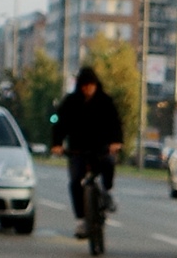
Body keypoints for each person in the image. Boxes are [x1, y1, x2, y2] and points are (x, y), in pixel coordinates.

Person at [51, 65, 123, 236]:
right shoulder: (70, 102)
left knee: (109, 163)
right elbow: (59, 125)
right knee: (76, 181)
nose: (88, 89)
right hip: (77, 150)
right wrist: (57, 144)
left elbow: (116, 123)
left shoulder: (105, 101)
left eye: (91, 85)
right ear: (80, 86)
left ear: (96, 85)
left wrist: (116, 142)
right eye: (84, 86)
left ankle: (108, 192)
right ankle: (82, 220)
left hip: (101, 148)